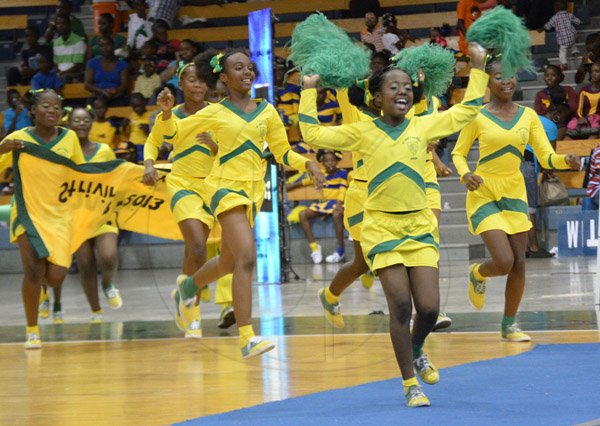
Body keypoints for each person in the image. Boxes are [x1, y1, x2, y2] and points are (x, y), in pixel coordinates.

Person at [299, 43, 489, 407]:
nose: (402, 91)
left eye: (406, 86)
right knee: (401, 305)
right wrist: (309, 90)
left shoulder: (424, 124)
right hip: (381, 228)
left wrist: (477, 66)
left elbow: (466, 111)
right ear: (376, 97)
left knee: (430, 309)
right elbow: (314, 134)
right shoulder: (363, 131)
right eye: (392, 87)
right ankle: (408, 383)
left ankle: (417, 348)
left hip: (418, 227)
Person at [166, 49, 325, 359]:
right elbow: (173, 132)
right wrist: (165, 114)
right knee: (247, 258)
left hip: (253, 193)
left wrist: (308, 164)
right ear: (223, 77)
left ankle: (186, 289)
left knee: (228, 263)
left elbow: (283, 153)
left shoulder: (267, 111)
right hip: (224, 189)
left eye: (249, 67)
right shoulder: (213, 112)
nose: (247, 72)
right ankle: (247, 336)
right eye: (238, 68)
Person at [451, 57, 580, 343]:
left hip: (514, 191)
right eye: (498, 76)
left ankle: (509, 324)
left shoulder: (528, 116)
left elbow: (545, 155)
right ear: (488, 82)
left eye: (510, 75)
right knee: (504, 260)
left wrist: (565, 160)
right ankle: (478, 272)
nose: (506, 81)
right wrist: (464, 174)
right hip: (483, 190)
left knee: (519, 263)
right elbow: (458, 153)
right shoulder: (477, 115)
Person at [143, 62, 235, 337]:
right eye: (191, 80)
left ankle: (184, 295)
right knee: (197, 246)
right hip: (182, 183)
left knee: (195, 252)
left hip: (211, 186)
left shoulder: (216, 112)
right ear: (180, 84)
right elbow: (155, 140)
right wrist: (149, 164)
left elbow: (229, 150)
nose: (197, 85)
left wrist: (216, 146)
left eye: (201, 81)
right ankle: (192, 313)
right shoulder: (172, 113)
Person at [0, 88, 85, 348]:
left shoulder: (69, 138)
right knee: (34, 270)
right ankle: (32, 329)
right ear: (33, 112)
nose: (52, 111)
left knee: (56, 276)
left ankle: (47, 292)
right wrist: (1, 148)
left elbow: (83, 175)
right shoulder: (17, 138)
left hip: (59, 216)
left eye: (57, 107)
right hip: (27, 212)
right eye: (46, 106)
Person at [69, 107, 122, 321]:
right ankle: (96, 310)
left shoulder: (104, 150)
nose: (81, 123)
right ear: (69, 124)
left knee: (109, 257)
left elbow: (116, 177)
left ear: (91, 123)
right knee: (86, 264)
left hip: (103, 213)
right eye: (76, 120)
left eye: (85, 119)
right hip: (76, 216)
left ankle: (108, 284)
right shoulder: (64, 152)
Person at [289, 150, 348, 264]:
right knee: (303, 214)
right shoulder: (321, 174)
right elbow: (306, 182)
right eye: (326, 161)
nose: (330, 163)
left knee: (337, 214)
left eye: (332, 160)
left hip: (339, 203)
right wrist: (290, 186)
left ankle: (341, 250)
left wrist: (339, 204)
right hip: (326, 204)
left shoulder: (342, 173)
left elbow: (343, 189)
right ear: (322, 163)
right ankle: (315, 248)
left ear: (337, 161)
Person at [84, 36, 130, 106]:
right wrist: (102, 91)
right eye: (102, 46)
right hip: (97, 96)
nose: (105, 48)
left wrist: (114, 91)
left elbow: (124, 85)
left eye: (108, 45)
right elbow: (87, 84)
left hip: (116, 96)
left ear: (113, 46)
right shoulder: (92, 63)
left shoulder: (123, 64)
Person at [48, 14, 87, 83]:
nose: (60, 26)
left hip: (74, 74)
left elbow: (78, 66)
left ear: (69, 25)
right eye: (58, 24)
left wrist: (63, 73)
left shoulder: (78, 41)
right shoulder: (56, 43)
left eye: (63, 23)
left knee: (64, 78)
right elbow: (56, 64)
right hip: (60, 74)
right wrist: (58, 72)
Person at [543, 0, 581, 71]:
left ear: (555, 9)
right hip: (571, 37)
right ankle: (575, 53)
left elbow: (548, 26)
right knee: (573, 45)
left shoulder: (554, 18)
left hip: (563, 40)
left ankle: (564, 63)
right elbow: (578, 21)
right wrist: (579, 23)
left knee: (562, 51)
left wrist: (543, 28)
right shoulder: (569, 15)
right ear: (566, 8)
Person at [567, 62, 600, 139]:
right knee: (567, 139)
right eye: (592, 71)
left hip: (597, 122)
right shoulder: (584, 90)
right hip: (584, 119)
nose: (594, 74)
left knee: (592, 138)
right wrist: (581, 118)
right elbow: (579, 108)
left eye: (597, 71)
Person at [122, 93, 152, 162]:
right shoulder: (131, 116)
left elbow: (158, 135)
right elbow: (124, 134)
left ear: (144, 103)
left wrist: (148, 130)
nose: (137, 109)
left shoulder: (152, 116)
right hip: (131, 146)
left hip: (144, 146)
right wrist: (123, 126)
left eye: (139, 106)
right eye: (134, 107)